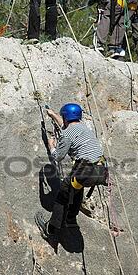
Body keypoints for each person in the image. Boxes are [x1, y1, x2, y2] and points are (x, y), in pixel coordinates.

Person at [35, 103, 107, 242]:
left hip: (85, 171)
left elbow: (58, 157)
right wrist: (53, 115)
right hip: (100, 171)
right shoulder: (83, 128)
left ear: (65, 117)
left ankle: (51, 229)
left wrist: (51, 146)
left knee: (63, 194)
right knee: (75, 189)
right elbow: (66, 126)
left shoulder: (67, 134)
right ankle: (70, 220)